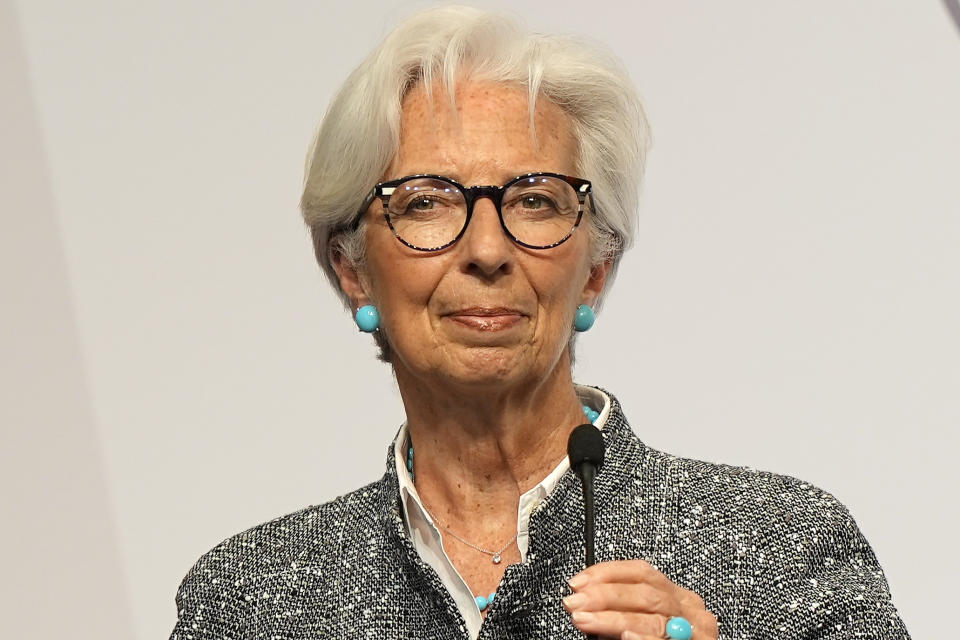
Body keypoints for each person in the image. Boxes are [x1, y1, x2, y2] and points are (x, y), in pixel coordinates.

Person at [169, 7, 910, 640]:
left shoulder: (784, 547)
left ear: (595, 268)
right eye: (427, 201)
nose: (487, 250)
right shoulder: (248, 602)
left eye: (535, 201)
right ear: (353, 269)